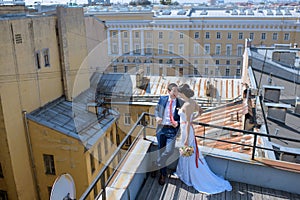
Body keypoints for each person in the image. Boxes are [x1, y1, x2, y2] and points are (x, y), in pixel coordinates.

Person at [175, 83, 232, 194]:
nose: (178, 95)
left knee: (187, 154)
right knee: (190, 154)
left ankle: (187, 176)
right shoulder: (192, 102)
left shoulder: (186, 105)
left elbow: (187, 124)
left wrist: (186, 138)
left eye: (179, 93)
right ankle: (186, 174)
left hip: (186, 131)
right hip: (190, 130)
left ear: (182, 93)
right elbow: (201, 111)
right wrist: (192, 119)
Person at [154, 83, 183, 185]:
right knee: (161, 151)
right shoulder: (162, 99)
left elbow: (183, 118)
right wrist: (157, 117)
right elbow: (156, 110)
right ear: (169, 91)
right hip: (161, 129)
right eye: (174, 91)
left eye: (177, 91)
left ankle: (156, 163)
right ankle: (162, 174)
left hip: (172, 131)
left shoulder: (180, 103)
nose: (176, 93)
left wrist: (177, 123)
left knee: (169, 151)